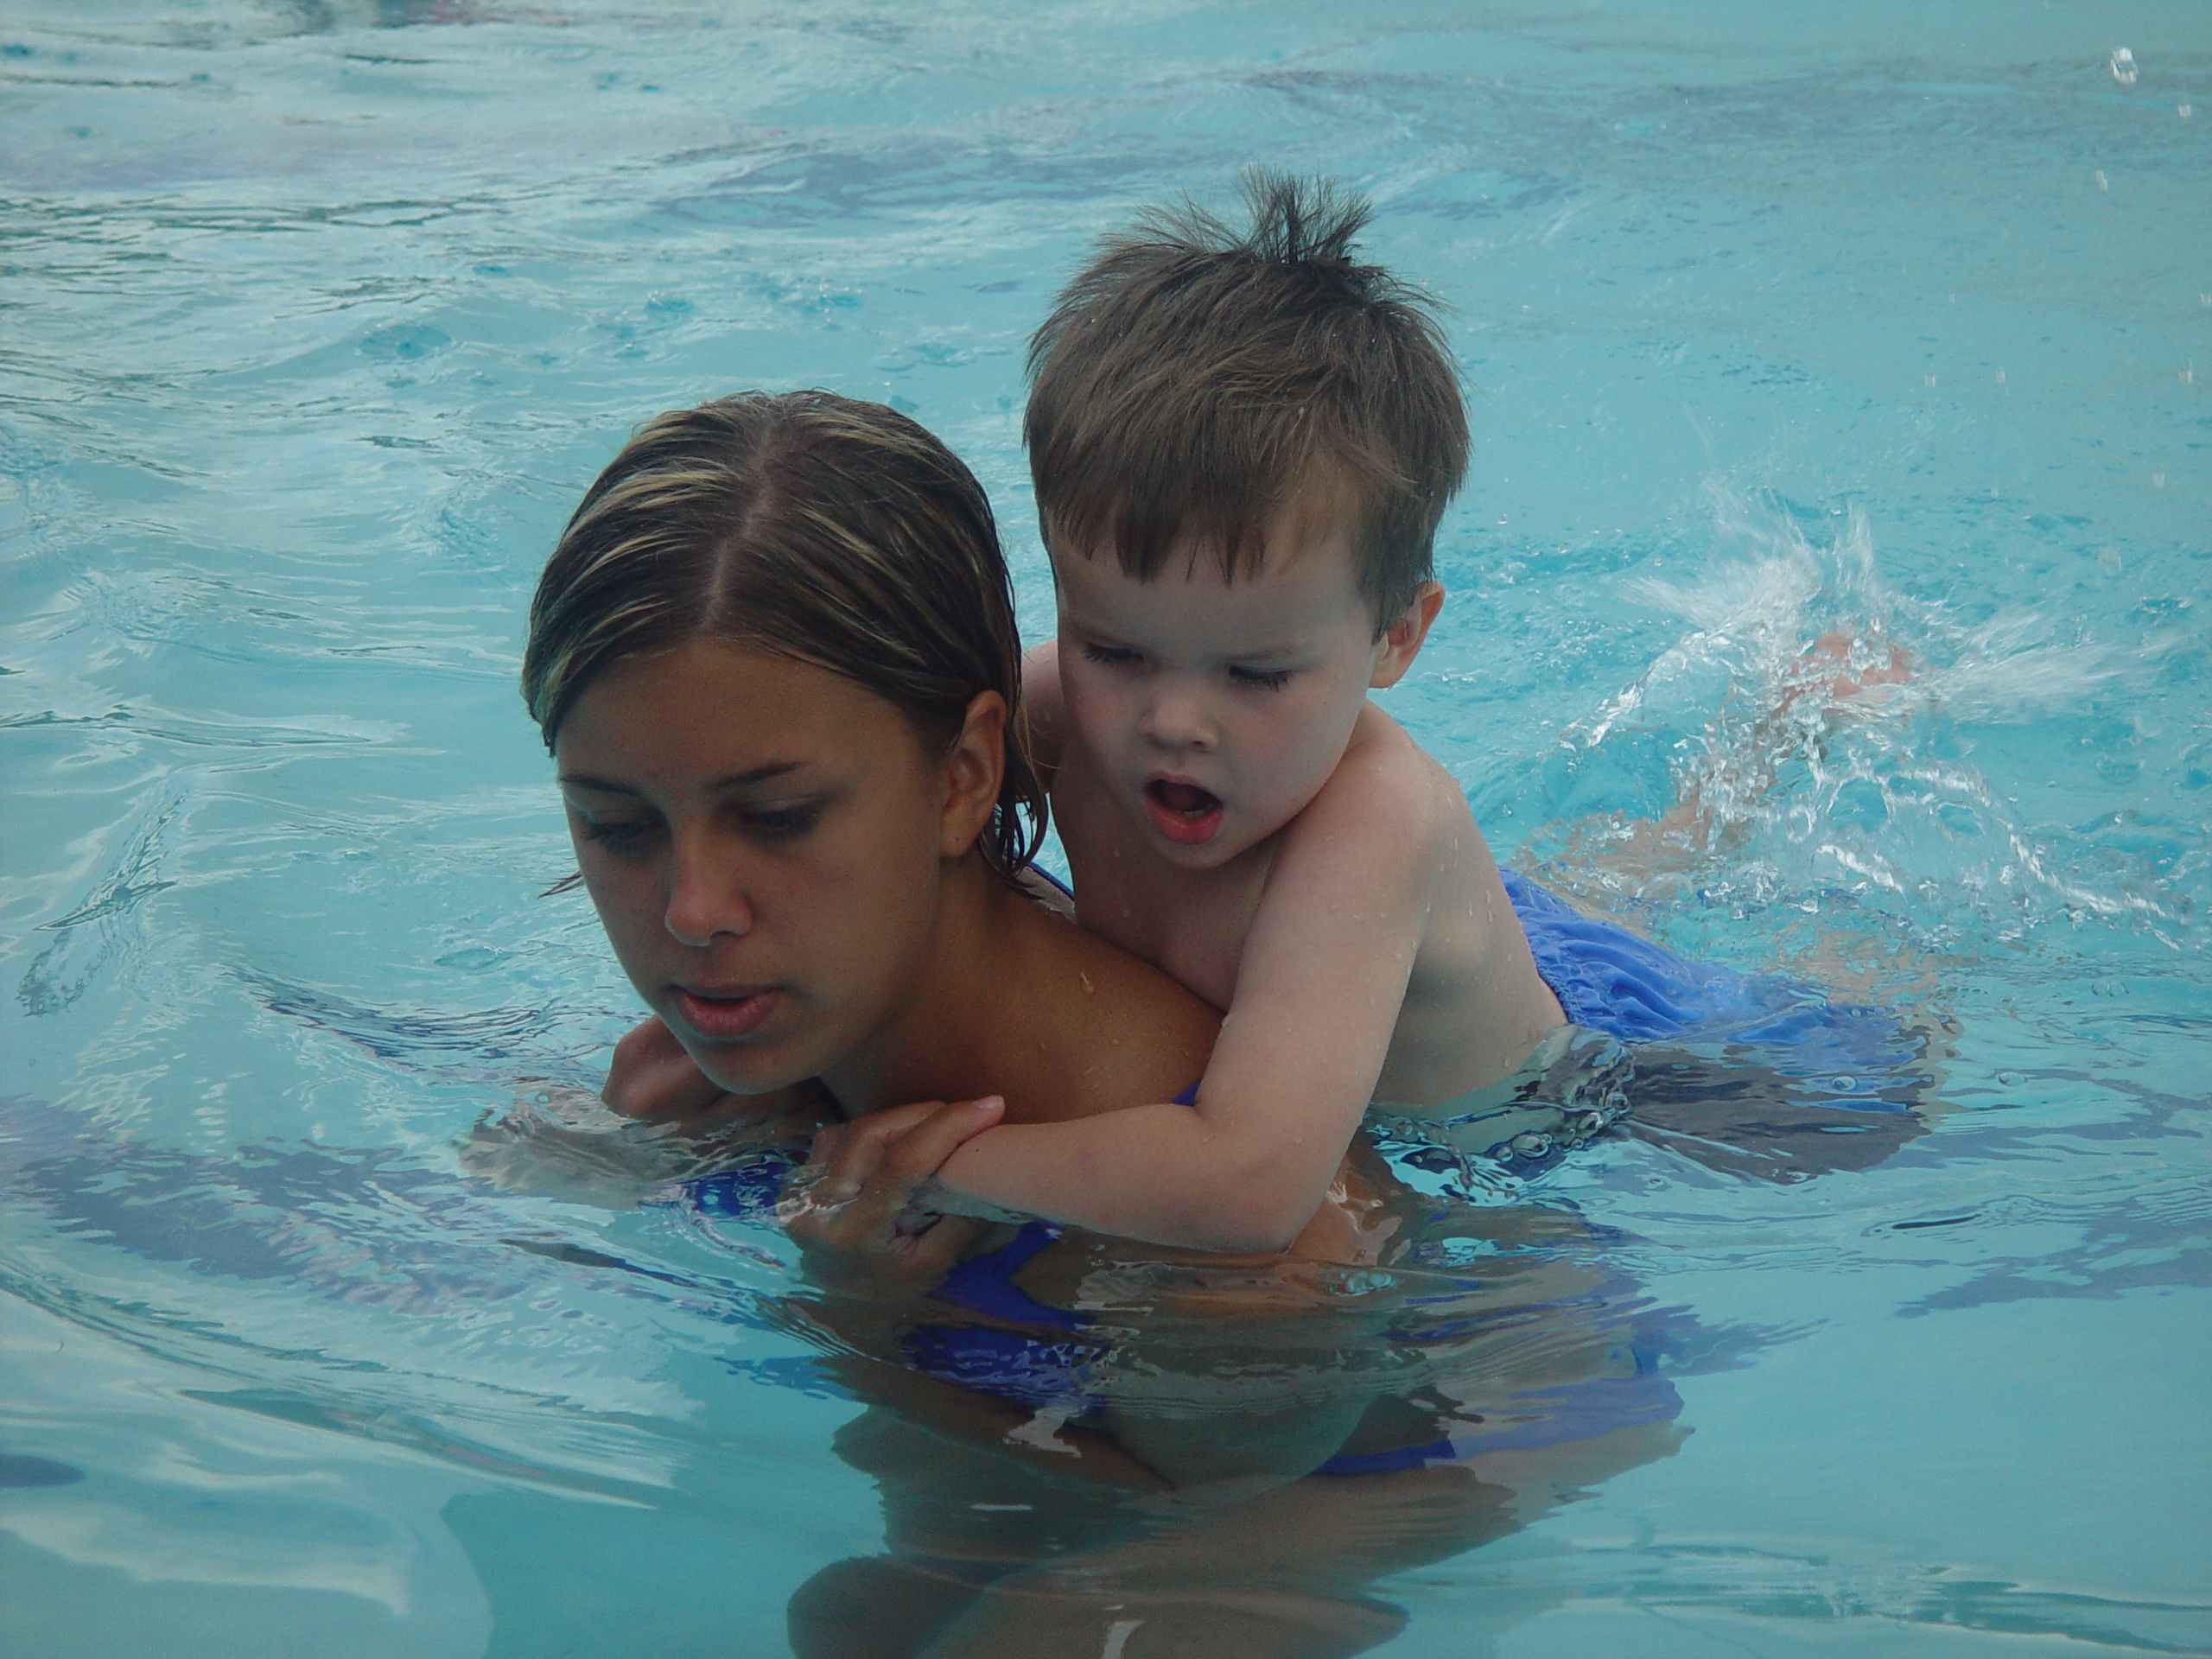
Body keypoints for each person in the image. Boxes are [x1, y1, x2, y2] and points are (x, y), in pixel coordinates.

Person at [520, 388, 1690, 1655]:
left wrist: (860, 1316)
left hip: (1486, 1407)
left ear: (964, 779)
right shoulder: (791, 1034)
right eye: (618, 828)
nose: (691, 914)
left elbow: (1169, 1510)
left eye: (780, 819)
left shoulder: (1234, 1245)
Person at [606, 174, 1916, 1254]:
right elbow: (873, 826)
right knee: (1591, 875)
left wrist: (947, 1159)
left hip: (1562, 1092)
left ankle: (1812, 788)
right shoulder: (1062, 714)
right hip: (1442, 951)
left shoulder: (1373, 829)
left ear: (1395, 637)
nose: (1174, 722)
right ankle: (1764, 744)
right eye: (1117, 646)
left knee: (1869, 1088)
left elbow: (1249, 1188)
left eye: (1256, 675)